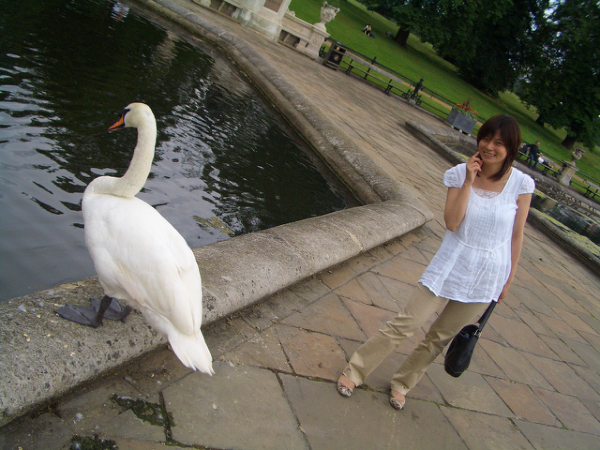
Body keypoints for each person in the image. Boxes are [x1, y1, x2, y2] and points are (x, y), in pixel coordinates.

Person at [336, 115, 534, 411]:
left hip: (487, 274)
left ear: (512, 149)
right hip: (452, 261)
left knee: (439, 336)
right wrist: (469, 181)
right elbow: (453, 222)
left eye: (499, 143)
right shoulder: (458, 174)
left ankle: (403, 383)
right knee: (407, 323)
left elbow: (516, 236)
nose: (489, 147)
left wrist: (508, 278)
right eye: (486, 138)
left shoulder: (521, 184)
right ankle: (355, 371)